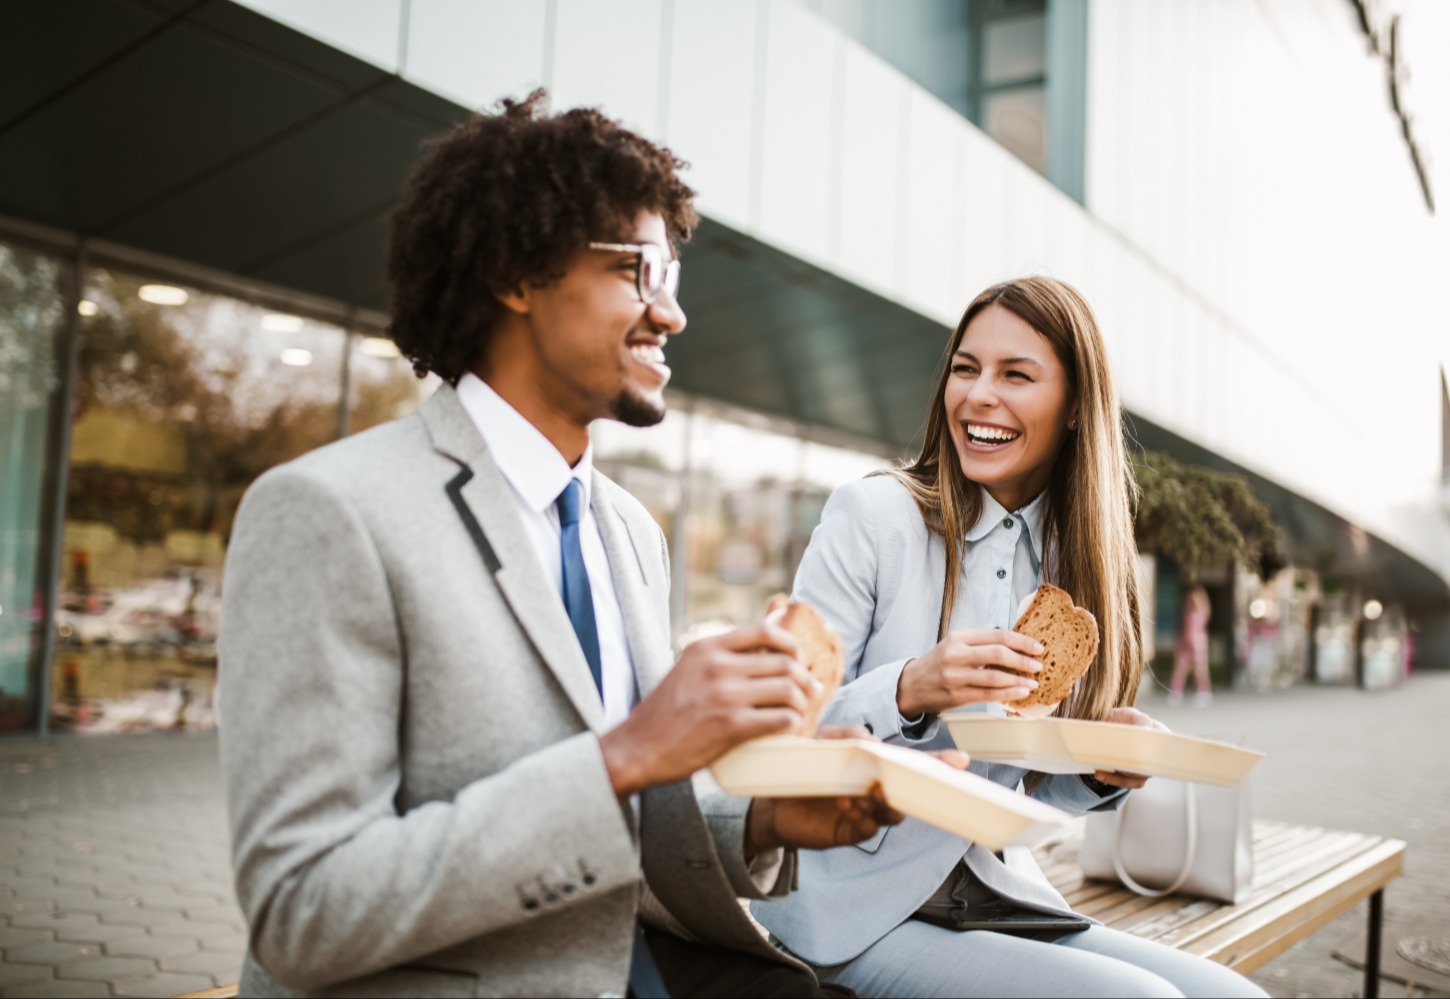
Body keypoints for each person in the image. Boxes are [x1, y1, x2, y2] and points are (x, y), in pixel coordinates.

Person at [216, 91, 911, 999]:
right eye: (638, 272)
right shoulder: (326, 512)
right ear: (516, 272)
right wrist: (628, 751)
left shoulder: (628, 531)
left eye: (675, 281)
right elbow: (302, 910)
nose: (673, 316)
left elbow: (625, 814)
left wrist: (768, 815)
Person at [752, 277, 1266, 998]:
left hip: (989, 889)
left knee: (1236, 996)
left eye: (1015, 375)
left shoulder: (1071, 557)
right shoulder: (872, 515)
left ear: (1076, 407)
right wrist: (909, 687)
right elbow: (782, 739)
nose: (978, 396)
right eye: (966, 368)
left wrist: (1097, 772)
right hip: (847, 908)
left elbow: (1022, 789)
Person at [1169, 584, 1213, 706]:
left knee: (1200, 670)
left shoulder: (1201, 612)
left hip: (1197, 644)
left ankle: (1203, 692)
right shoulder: (1187, 612)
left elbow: (1195, 629)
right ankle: (1176, 692)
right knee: (1180, 669)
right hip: (1185, 643)